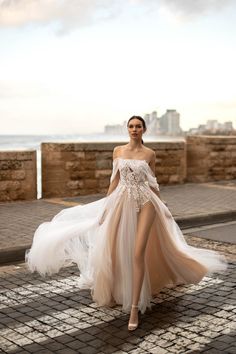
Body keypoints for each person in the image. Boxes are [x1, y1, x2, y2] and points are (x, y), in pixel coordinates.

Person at [26, 115, 227, 331]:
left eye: (138, 126)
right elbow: (114, 181)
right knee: (115, 248)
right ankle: (116, 289)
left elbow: (153, 182)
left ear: (144, 129)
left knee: (137, 253)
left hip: (146, 203)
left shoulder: (150, 154)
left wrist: (163, 206)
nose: (134, 129)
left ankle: (134, 308)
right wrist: (105, 209)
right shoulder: (118, 151)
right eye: (131, 126)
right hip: (122, 201)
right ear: (127, 129)